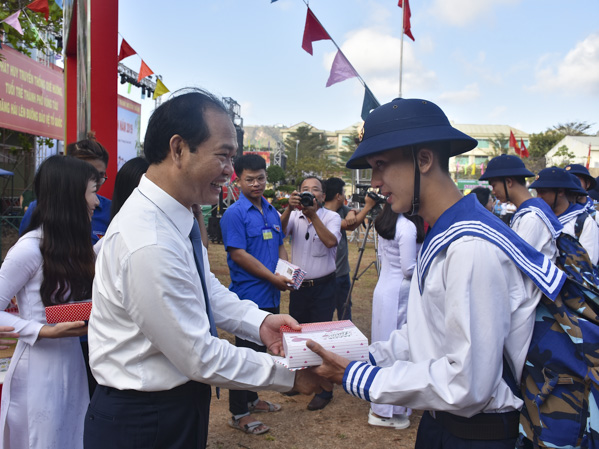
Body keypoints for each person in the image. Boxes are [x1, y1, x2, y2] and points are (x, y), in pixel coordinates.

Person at [306, 98, 566, 448]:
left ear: (424, 160)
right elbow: (427, 334)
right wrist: (362, 357)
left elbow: (467, 383)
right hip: (443, 424)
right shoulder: (447, 232)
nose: (377, 183)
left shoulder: (470, 245)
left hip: (477, 435)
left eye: (381, 165)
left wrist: (359, 377)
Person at [84, 88, 328, 449]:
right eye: (224, 157)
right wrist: (289, 375)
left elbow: (204, 288)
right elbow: (198, 355)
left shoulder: (174, 215)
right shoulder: (147, 240)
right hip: (143, 420)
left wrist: (259, 323)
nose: (231, 173)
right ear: (179, 148)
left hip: (174, 406)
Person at [0, 155, 100, 449]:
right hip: (36, 370)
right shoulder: (29, 249)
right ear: (71, 196)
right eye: (93, 191)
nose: (97, 202)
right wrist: (42, 331)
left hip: (72, 365)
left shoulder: (78, 249)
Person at [220, 154, 291, 435]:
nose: (257, 184)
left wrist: (288, 271)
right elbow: (238, 254)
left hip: (272, 294)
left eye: (261, 178)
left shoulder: (271, 211)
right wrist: (273, 277)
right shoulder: (234, 214)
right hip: (249, 298)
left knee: (262, 350)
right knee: (245, 355)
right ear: (238, 179)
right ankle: (238, 412)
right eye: (250, 179)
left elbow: (280, 245)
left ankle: (251, 398)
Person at [280, 176, 341, 411]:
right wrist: (288, 208)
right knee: (297, 336)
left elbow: (330, 241)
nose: (310, 193)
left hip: (324, 286)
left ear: (323, 196)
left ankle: (326, 390)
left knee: (320, 339)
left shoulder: (332, 217)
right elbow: (280, 232)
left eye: (315, 190)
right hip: (299, 285)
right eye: (304, 190)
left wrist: (313, 215)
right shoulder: (294, 216)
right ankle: (301, 381)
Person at [368, 203, 424, 429]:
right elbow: (409, 268)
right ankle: (388, 409)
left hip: (385, 287)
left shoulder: (387, 223)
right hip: (400, 292)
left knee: (383, 344)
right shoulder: (408, 227)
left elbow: (384, 257)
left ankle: (382, 404)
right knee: (395, 349)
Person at [19, 135, 111, 244]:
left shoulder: (110, 210)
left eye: (100, 175)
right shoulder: (39, 208)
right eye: (88, 175)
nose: (95, 181)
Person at [479, 154, 563, 262]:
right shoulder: (528, 212)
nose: (493, 192)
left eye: (494, 185)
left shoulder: (531, 217)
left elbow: (514, 261)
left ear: (509, 182)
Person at [324, 177, 376, 321]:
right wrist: (368, 207)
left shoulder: (341, 209)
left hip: (342, 273)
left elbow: (352, 219)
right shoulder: (321, 213)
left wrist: (352, 211)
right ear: (338, 196)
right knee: (325, 314)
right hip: (327, 275)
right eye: (343, 192)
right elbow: (348, 225)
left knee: (345, 311)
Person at [530, 166, 599, 265]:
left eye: (543, 192)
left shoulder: (585, 221)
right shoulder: (537, 217)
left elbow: (588, 264)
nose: (539, 197)